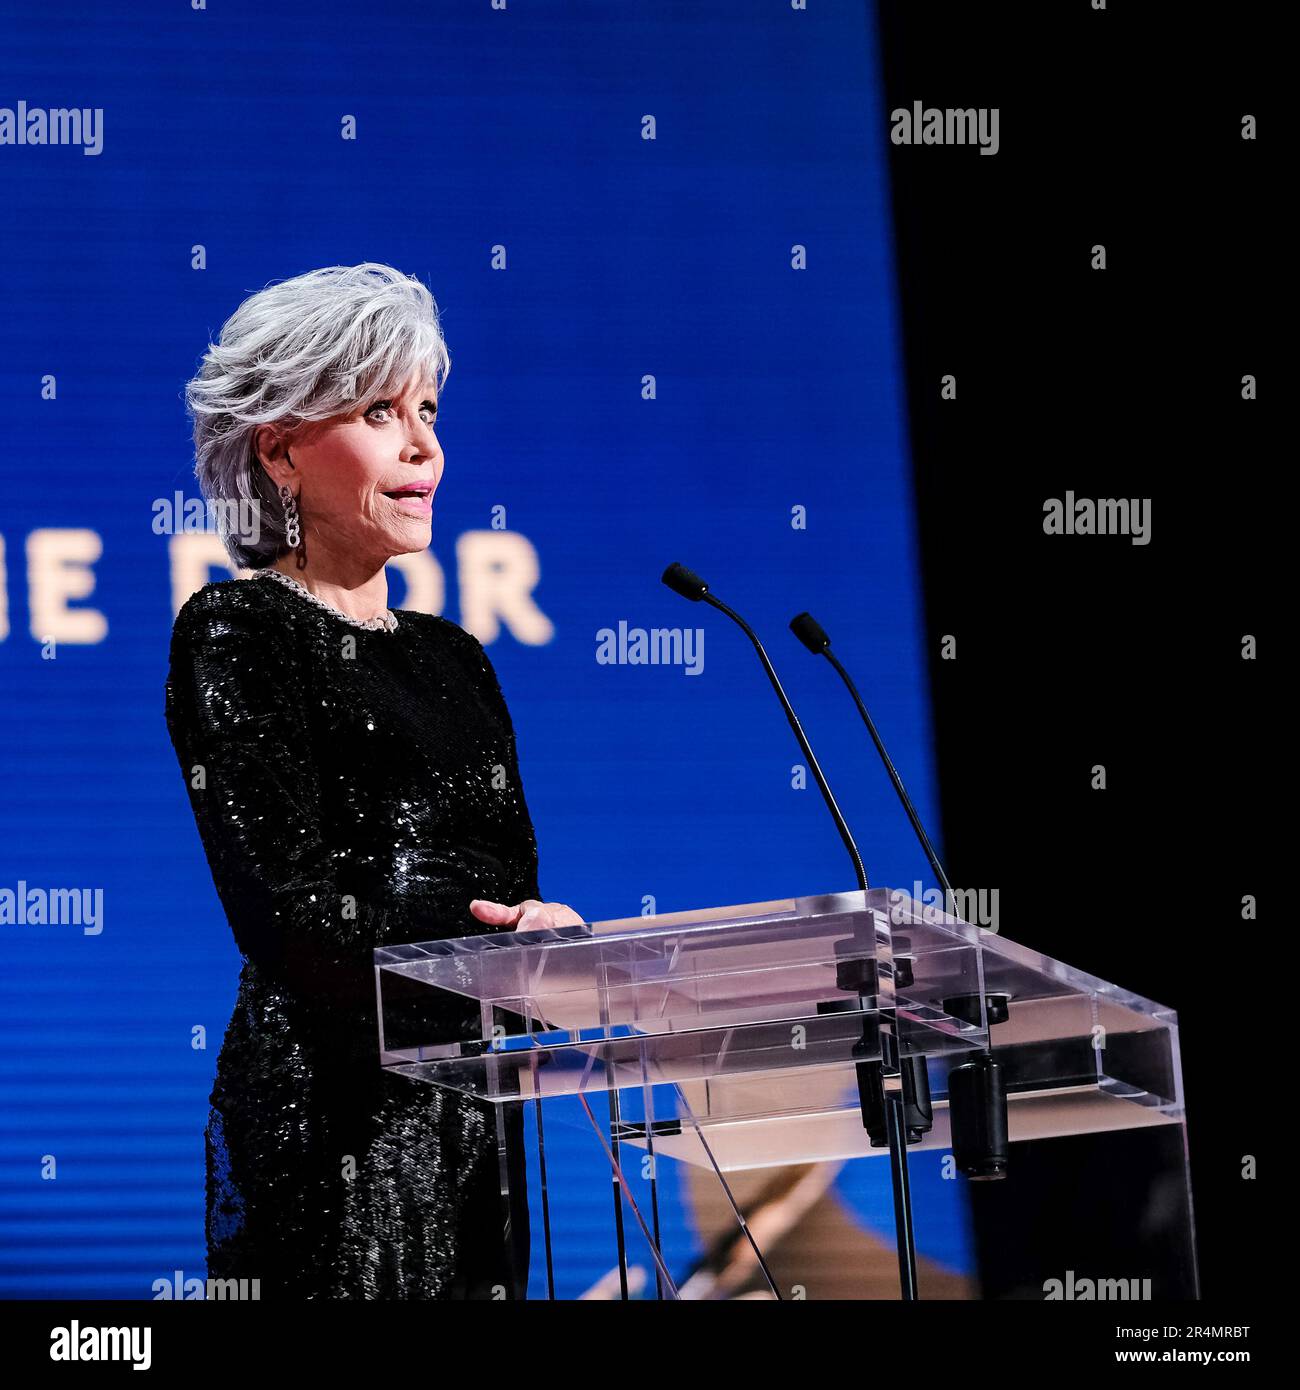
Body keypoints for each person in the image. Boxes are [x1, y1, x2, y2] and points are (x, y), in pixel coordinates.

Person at [164, 262, 580, 1298]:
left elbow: (507, 880)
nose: (424, 445)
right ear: (281, 451)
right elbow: (288, 914)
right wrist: (480, 940)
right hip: (330, 1117)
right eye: (380, 410)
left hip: (471, 1119)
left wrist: (545, 940)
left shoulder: (456, 657)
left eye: (429, 408)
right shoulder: (236, 631)